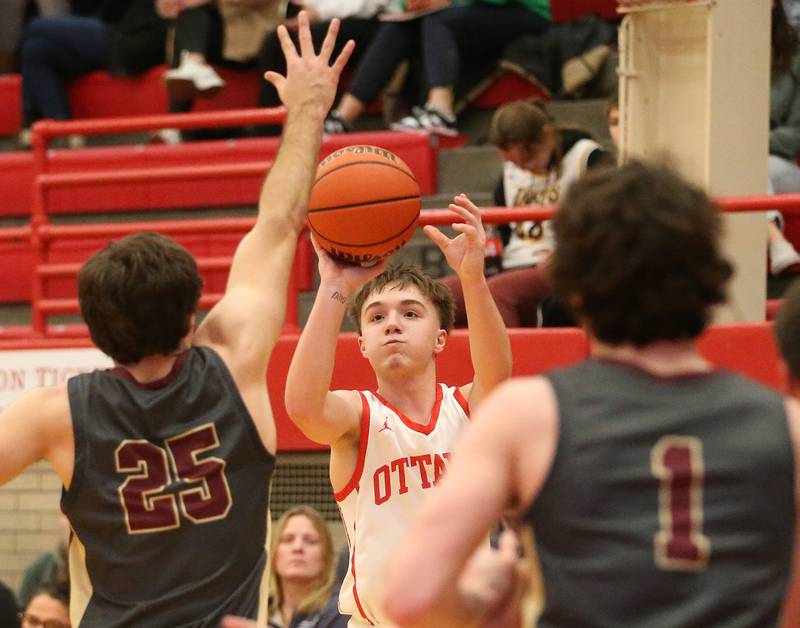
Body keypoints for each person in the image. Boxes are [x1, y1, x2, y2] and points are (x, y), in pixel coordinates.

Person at [0, 13, 353, 626]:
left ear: (96, 330)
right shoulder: (235, 358)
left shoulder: (55, 414)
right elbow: (278, 222)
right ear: (193, 316)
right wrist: (308, 108)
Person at [384, 161, 800, 627]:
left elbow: (411, 596)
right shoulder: (788, 427)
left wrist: (487, 606)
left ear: (574, 288)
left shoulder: (526, 416)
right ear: (712, 281)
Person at [283, 193, 512, 625]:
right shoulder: (359, 418)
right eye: (376, 317)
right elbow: (302, 406)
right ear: (363, 345)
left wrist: (473, 278)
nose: (392, 323)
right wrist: (333, 287)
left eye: (410, 313)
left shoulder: (465, 408)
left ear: (441, 338)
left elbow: (498, 371)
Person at [441, 99, 607, 327]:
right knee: (439, 295)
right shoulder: (509, 173)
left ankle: (511, 362)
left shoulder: (587, 157)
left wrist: (570, 251)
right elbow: (505, 231)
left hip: (564, 263)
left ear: (547, 135)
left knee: (497, 293)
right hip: (513, 263)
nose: (525, 168)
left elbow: (607, 222)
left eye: (528, 159)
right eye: (516, 164)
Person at [324, 0, 551, 135]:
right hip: (460, 10)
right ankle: (343, 117)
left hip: (523, 11)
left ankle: (440, 112)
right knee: (398, 26)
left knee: (439, 20)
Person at [18, 0, 166, 148]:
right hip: (107, 30)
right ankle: (63, 128)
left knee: (35, 26)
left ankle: (32, 119)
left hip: (118, 39)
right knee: (35, 49)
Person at [155, 0, 285, 143]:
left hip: (253, 32)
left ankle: (194, 65)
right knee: (189, 15)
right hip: (213, 32)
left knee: (192, 13)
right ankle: (193, 65)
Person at [255, 0, 391, 136]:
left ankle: (325, 125)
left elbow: (371, 5)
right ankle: (267, 132)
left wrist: (319, 12)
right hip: (320, 16)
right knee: (276, 39)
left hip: (373, 19)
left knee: (313, 38)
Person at [266, 506, 349, 628]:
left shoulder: (342, 611)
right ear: (274, 553)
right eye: (288, 540)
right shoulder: (257, 609)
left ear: (326, 555)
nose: (298, 547)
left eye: (310, 541)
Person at [769, 0, 800, 274]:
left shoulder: (795, 57)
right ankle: (774, 239)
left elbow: (795, 136)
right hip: (744, 157)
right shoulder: (726, 55)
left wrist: (749, 141)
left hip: (787, 164)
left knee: (749, 165)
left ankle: (776, 241)